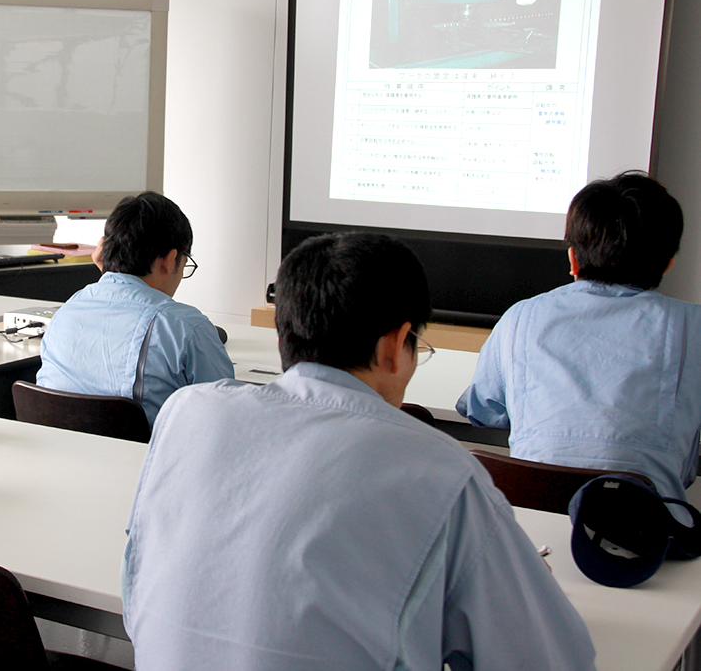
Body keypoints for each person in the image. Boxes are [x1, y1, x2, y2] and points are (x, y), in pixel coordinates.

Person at [123, 232, 595, 670]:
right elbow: (552, 660)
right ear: (394, 345)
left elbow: (136, 590)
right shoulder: (439, 470)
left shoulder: (188, 413)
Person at [458, 171, 701, 502]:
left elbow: (483, 410)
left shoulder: (521, 317)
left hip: (531, 527)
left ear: (573, 259)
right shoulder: (693, 327)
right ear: (668, 263)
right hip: (647, 535)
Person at [36, 191, 234, 426]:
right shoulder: (186, 327)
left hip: (59, 456)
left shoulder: (67, 312)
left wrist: (110, 275)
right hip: (145, 460)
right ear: (170, 260)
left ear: (104, 249)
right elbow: (226, 416)